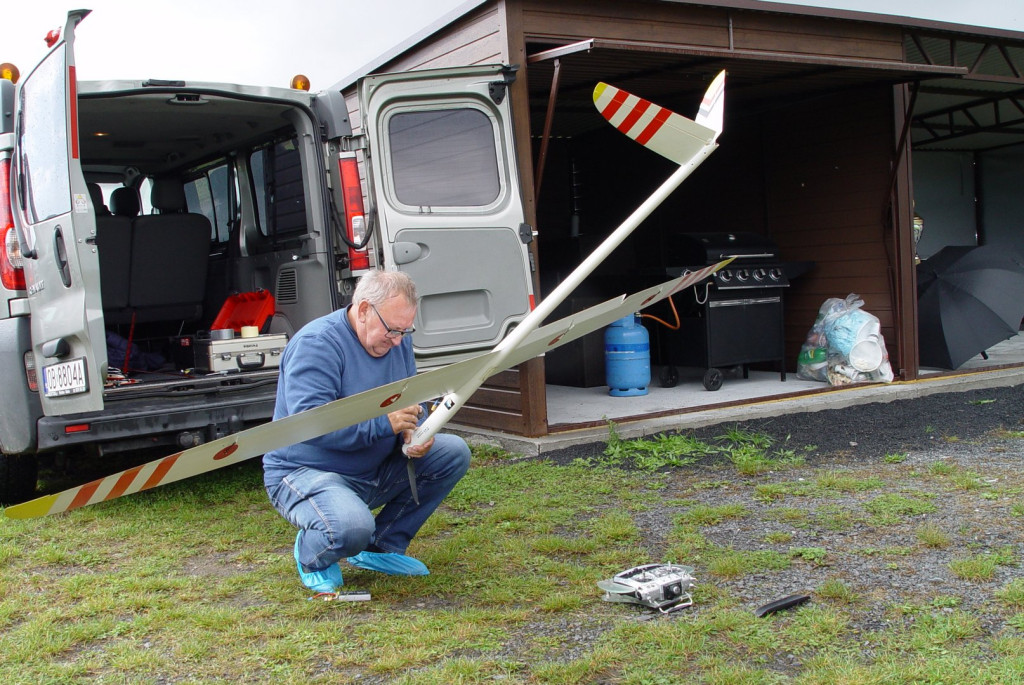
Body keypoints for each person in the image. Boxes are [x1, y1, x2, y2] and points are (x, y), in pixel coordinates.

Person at [262, 270, 471, 594]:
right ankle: (313, 553)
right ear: (362, 310)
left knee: (452, 452)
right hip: (306, 471)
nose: (399, 341)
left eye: (405, 330)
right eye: (392, 330)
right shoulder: (316, 345)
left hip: (369, 469)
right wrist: (384, 424)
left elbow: (410, 399)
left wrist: (416, 431)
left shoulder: (395, 339)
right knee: (350, 526)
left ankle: (380, 547)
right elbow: (310, 424)